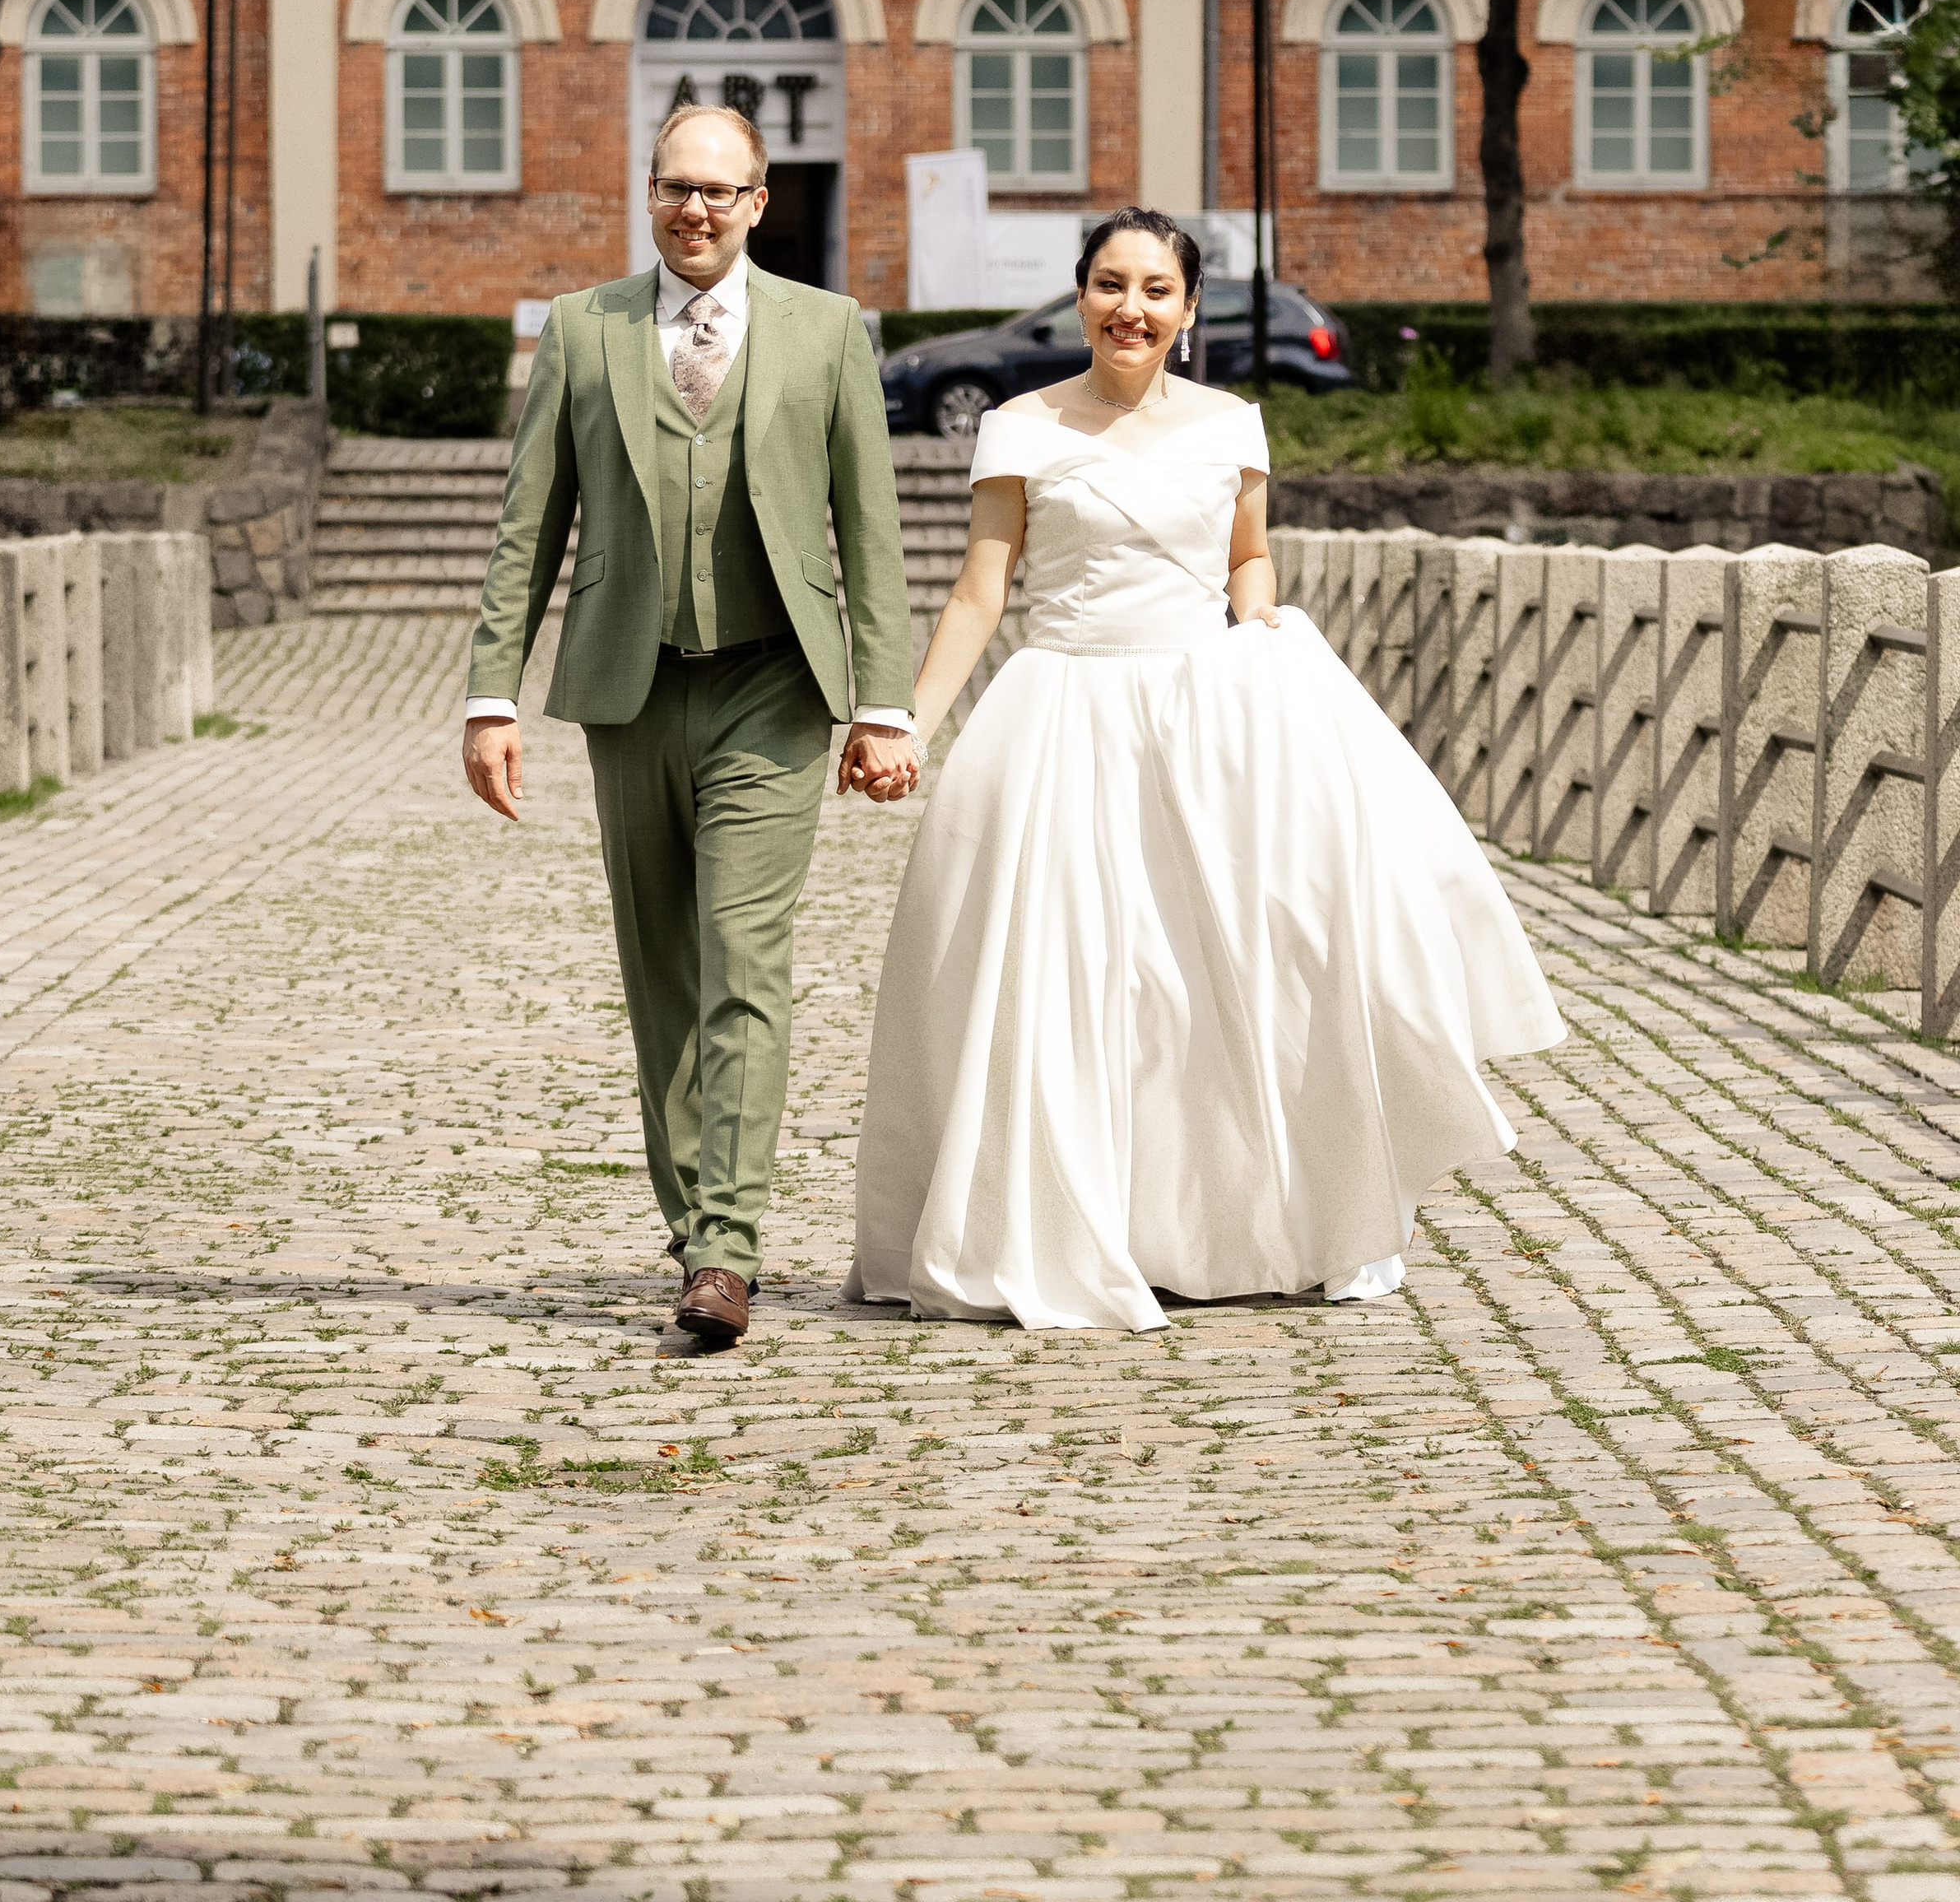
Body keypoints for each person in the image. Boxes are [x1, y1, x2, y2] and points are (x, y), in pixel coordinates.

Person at [848, 206, 1563, 1334]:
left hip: (1201, 716)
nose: (1131, 307)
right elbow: (981, 590)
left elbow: (1249, 556)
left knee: (1208, 980)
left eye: (1156, 290)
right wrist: (909, 726)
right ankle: (1062, 1225)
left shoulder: (1234, 425)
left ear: (1187, 312)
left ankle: (1215, 1224)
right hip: (1064, 714)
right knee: (1065, 979)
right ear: (1081, 295)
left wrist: (1260, 624)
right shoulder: (1020, 429)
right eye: (1109, 284)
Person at [463, 103, 918, 1349]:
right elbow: (529, 525)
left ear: (762, 202)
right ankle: (690, 1226)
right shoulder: (584, 329)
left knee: (742, 961)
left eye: (723, 191)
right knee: (660, 970)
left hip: (772, 687)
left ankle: (728, 1250)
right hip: (630, 683)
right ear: (650, 193)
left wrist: (885, 704)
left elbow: (868, 532)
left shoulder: (827, 332)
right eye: (677, 187)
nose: (698, 209)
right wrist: (490, 695)